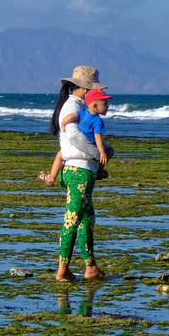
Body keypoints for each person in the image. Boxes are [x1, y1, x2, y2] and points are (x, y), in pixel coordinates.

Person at [46, 66, 108, 282]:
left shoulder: (80, 106)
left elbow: (89, 136)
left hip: (83, 170)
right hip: (78, 170)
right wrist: (100, 155)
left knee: (86, 218)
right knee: (72, 219)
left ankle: (90, 267)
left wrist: (105, 151)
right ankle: (62, 271)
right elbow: (76, 139)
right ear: (86, 87)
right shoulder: (72, 105)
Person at [39, 87, 114, 186]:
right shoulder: (98, 121)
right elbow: (98, 138)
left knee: (59, 156)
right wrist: (102, 152)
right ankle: (100, 172)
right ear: (95, 106)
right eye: (105, 104)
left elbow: (71, 117)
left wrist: (63, 123)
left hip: (79, 145)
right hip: (88, 145)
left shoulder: (83, 112)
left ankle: (52, 178)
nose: (107, 107)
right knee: (103, 158)